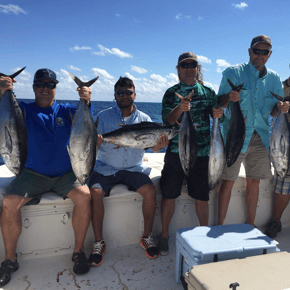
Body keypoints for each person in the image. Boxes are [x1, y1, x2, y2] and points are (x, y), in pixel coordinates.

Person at [0, 68, 93, 287]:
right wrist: (2, 91)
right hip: (33, 174)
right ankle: (10, 259)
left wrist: (86, 100)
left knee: (84, 195)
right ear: (33, 87)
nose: (45, 89)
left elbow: (85, 122)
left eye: (50, 85)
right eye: (40, 84)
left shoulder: (69, 110)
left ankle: (78, 252)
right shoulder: (21, 109)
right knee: (9, 203)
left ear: (55, 88)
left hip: (65, 174)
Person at [87, 76, 168, 266]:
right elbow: (91, 143)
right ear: (115, 95)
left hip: (133, 168)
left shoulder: (145, 119)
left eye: (128, 92)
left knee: (150, 191)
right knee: (95, 193)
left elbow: (151, 147)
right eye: (120, 93)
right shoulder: (103, 116)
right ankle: (99, 242)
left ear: (135, 94)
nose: (124, 96)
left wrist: (158, 147)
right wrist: (95, 143)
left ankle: (146, 237)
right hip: (106, 167)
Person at [217, 35, 288, 227]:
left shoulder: (274, 79)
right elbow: (219, 103)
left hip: (261, 137)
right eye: (257, 51)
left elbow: (273, 112)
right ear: (250, 51)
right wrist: (229, 97)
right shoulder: (233, 72)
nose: (260, 55)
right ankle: (220, 224)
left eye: (265, 52)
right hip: (236, 136)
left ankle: (250, 224)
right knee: (228, 181)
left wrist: (281, 108)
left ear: (270, 55)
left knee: (254, 181)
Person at [158, 52, 223, 255]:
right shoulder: (171, 93)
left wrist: (219, 112)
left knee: (201, 196)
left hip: (202, 153)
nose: (188, 68)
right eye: (184, 65)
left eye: (192, 65)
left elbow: (217, 110)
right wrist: (180, 108)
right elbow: (168, 120)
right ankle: (164, 235)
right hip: (176, 151)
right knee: (169, 194)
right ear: (178, 69)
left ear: (197, 68)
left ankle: (203, 235)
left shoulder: (208, 92)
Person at [264, 76, 290, 238]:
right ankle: (276, 221)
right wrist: (279, 107)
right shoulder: (280, 87)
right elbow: (272, 114)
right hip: (284, 141)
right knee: (283, 180)